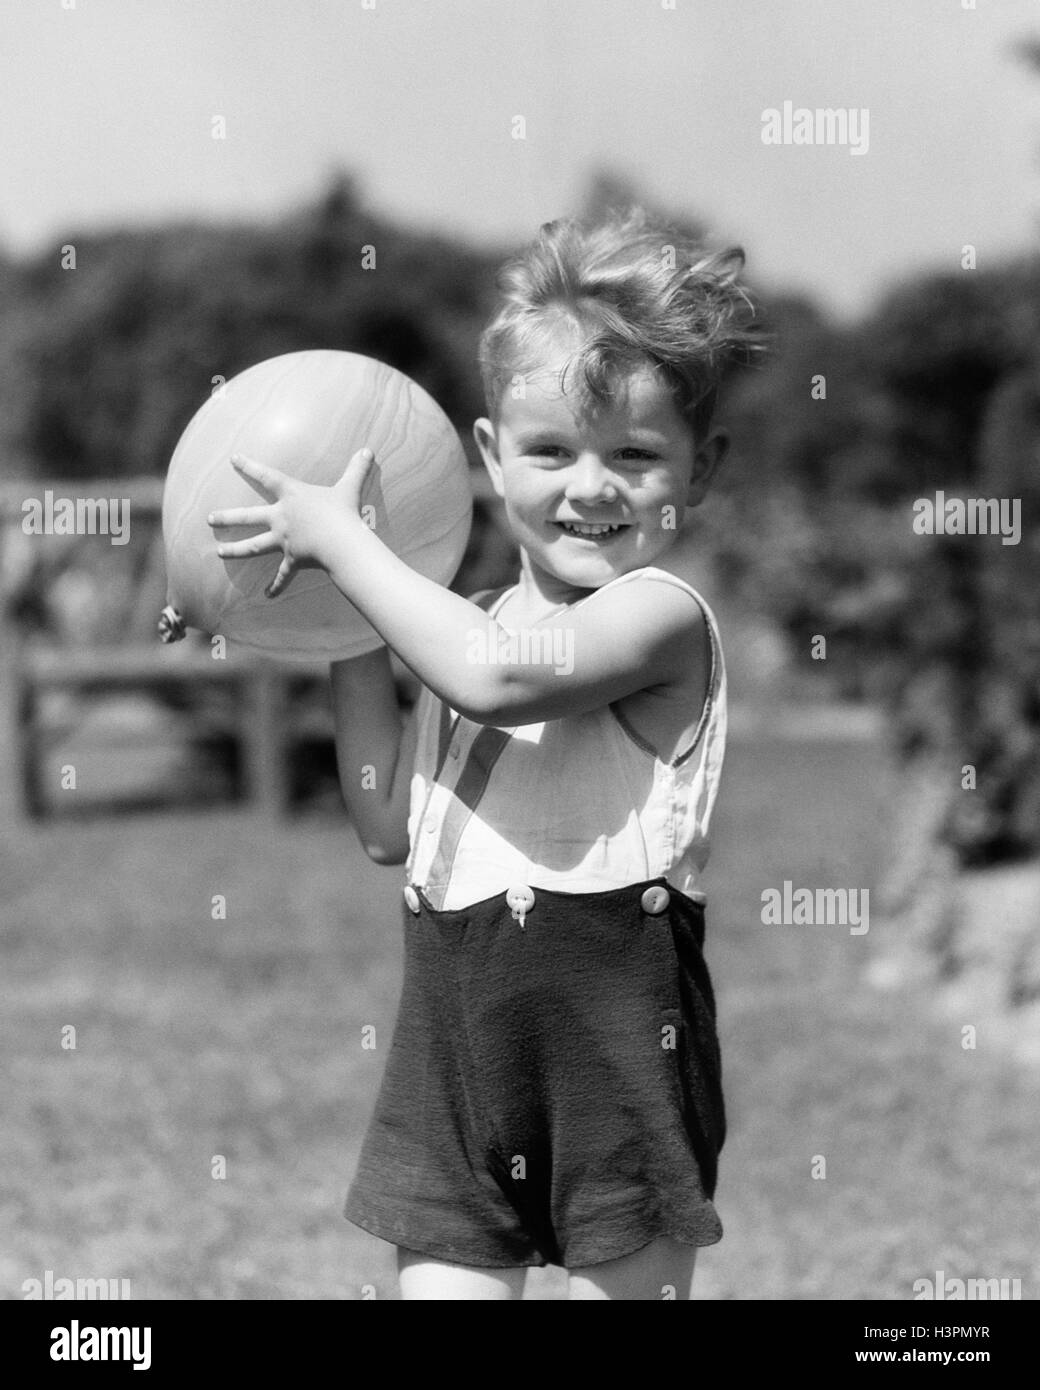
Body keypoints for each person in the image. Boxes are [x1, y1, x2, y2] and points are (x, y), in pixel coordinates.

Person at [209, 207, 763, 1299]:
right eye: (549, 451)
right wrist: (340, 623)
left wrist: (350, 546)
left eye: (636, 456)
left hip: (617, 1064)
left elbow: (498, 676)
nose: (589, 488)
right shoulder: (459, 619)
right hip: (453, 1053)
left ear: (700, 471)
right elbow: (383, 826)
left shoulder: (657, 620)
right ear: (487, 456)